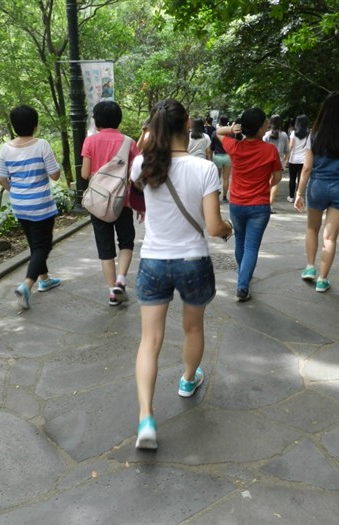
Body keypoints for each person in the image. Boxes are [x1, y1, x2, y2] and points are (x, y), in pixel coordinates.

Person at [130, 99, 233, 450]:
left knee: (150, 340)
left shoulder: (142, 164)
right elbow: (214, 227)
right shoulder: (204, 168)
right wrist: (229, 227)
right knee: (193, 328)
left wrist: (148, 133)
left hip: (154, 261)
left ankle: (146, 417)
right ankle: (188, 380)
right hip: (192, 260)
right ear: (188, 123)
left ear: (152, 127)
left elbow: (143, 154)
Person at [294, 92, 339, 293]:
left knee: (312, 228)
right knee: (330, 237)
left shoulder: (314, 135)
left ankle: (310, 267)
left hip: (318, 186)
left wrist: (299, 193)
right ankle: (323, 280)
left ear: (324, 110)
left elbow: (307, 168)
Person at [0, 105, 62, 309]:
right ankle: (27, 285)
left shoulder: (6, 148)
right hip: (40, 204)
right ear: (35, 125)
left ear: (14, 126)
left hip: (19, 204)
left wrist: (16, 190)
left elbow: (1, 178)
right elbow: (55, 175)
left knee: (34, 244)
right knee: (43, 246)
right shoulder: (41, 145)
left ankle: (45, 279)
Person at [217, 108, 282, 302]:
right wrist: (266, 185)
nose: (268, 125)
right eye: (265, 123)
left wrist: (232, 129)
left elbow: (218, 132)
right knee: (251, 247)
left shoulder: (235, 147)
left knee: (240, 242)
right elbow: (277, 177)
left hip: (237, 204)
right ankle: (243, 285)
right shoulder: (270, 150)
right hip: (259, 206)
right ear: (261, 128)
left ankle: (243, 276)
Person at [81, 101, 141, 306]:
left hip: (98, 204)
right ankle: (121, 280)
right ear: (119, 120)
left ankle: (112, 293)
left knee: (105, 249)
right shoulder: (129, 142)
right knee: (126, 242)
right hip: (122, 202)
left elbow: (84, 173)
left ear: (96, 121)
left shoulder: (90, 141)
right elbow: (136, 174)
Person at [263, 114, 289, 207]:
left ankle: (264, 202)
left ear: (270, 123)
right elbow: (287, 151)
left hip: (267, 162)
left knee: (266, 182)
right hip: (279, 162)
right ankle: (270, 205)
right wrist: (285, 160)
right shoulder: (284, 135)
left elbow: (262, 150)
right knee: (275, 183)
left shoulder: (266, 135)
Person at [287, 115, 310, 203]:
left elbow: (291, 146)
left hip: (293, 159)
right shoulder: (309, 134)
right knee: (301, 178)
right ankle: (298, 195)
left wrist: (287, 159)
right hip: (304, 160)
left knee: (292, 178)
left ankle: (291, 197)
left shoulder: (294, 133)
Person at [211, 116, 232, 202]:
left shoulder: (215, 132)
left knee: (216, 178)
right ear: (227, 122)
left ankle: (216, 195)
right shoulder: (231, 133)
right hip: (228, 156)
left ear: (219, 122)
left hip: (217, 157)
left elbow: (212, 146)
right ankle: (224, 197)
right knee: (226, 178)